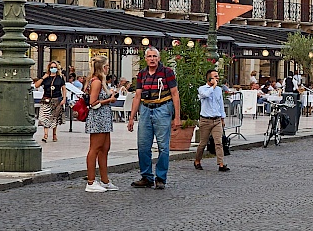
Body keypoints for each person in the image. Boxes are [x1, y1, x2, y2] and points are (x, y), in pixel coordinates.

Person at [127, 46, 180, 189]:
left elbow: (175, 94)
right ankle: (147, 177)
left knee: (163, 146)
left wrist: (177, 117)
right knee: (143, 146)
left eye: (154, 56)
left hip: (162, 108)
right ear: (145, 59)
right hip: (145, 110)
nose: (152, 59)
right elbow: (137, 96)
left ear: (159, 58)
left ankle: (161, 178)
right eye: (149, 56)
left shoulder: (167, 72)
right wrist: (131, 117)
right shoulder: (142, 74)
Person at [83, 54, 119, 193]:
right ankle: (91, 181)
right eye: (107, 66)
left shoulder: (100, 81)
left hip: (103, 118)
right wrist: (108, 100)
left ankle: (105, 180)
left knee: (104, 148)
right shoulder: (97, 81)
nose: (108, 68)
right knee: (95, 149)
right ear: (103, 67)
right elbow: (93, 102)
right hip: (98, 118)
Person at [193, 67, 232, 173]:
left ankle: (221, 164)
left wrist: (223, 118)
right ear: (209, 79)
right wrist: (213, 86)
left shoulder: (219, 90)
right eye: (215, 77)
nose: (217, 78)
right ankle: (197, 160)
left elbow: (221, 104)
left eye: (217, 76)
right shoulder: (202, 89)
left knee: (218, 142)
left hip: (217, 120)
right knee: (203, 143)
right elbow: (205, 95)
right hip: (205, 120)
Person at [34, 60, 67, 143]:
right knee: (45, 116)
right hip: (46, 99)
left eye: (55, 67)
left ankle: (54, 134)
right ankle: (45, 135)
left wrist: (64, 99)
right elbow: (36, 85)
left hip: (56, 99)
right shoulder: (46, 77)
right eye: (51, 67)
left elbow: (63, 88)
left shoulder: (60, 77)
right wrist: (43, 78)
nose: (53, 69)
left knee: (54, 118)